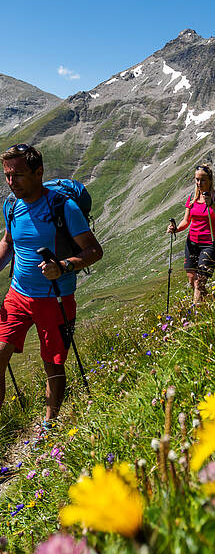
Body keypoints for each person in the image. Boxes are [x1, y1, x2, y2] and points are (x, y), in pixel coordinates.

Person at [0, 144, 103, 438]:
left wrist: (64, 266)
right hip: (17, 295)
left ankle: (50, 425)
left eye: (18, 175)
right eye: (7, 175)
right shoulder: (11, 205)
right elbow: (9, 242)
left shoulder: (63, 207)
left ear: (39, 172)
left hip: (55, 299)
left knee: (54, 365)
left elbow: (94, 251)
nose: (11, 182)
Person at [167, 164, 215, 304]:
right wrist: (175, 229)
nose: (199, 183)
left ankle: (195, 313)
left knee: (200, 281)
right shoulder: (192, 199)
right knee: (191, 278)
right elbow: (186, 221)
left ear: (210, 180)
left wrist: (212, 205)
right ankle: (211, 303)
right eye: (197, 180)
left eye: (203, 180)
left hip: (210, 244)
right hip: (192, 243)